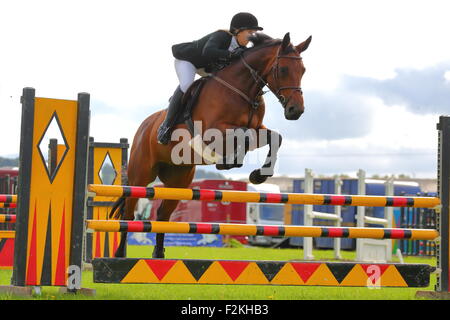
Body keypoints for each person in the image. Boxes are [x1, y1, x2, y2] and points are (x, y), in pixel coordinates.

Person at [157, 12, 263, 145]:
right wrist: (231, 55)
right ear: (237, 31)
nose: (252, 36)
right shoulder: (222, 35)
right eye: (250, 32)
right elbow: (208, 52)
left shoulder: (242, 47)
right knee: (187, 85)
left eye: (254, 32)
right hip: (189, 61)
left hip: (206, 68)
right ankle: (166, 126)